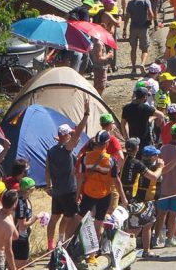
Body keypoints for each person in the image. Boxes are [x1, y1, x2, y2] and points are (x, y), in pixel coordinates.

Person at [45, 99, 89, 250]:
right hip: (69, 189)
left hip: (56, 189)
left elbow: (47, 169)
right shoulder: (66, 149)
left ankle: (51, 243)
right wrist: (86, 115)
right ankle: (63, 240)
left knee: (54, 216)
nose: (72, 136)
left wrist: (48, 185)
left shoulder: (51, 150)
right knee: (70, 216)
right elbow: (78, 134)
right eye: (69, 134)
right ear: (66, 136)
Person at [78, 131, 129, 243]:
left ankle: (79, 243)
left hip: (88, 193)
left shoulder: (85, 158)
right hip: (104, 194)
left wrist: (77, 195)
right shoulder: (111, 160)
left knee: (80, 219)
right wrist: (123, 198)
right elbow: (116, 181)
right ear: (107, 143)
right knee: (99, 222)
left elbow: (80, 178)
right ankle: (94, 249)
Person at [125, 0, 156, 76]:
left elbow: (127, 16)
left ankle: (133, 68)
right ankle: (142, 64)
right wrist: (149, 22)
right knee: (145, 49)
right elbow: (151, 15)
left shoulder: (130, 3)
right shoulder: (146, 2)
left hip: (133, 28)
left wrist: (124, 29)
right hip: (143, 28)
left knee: (133, 49)